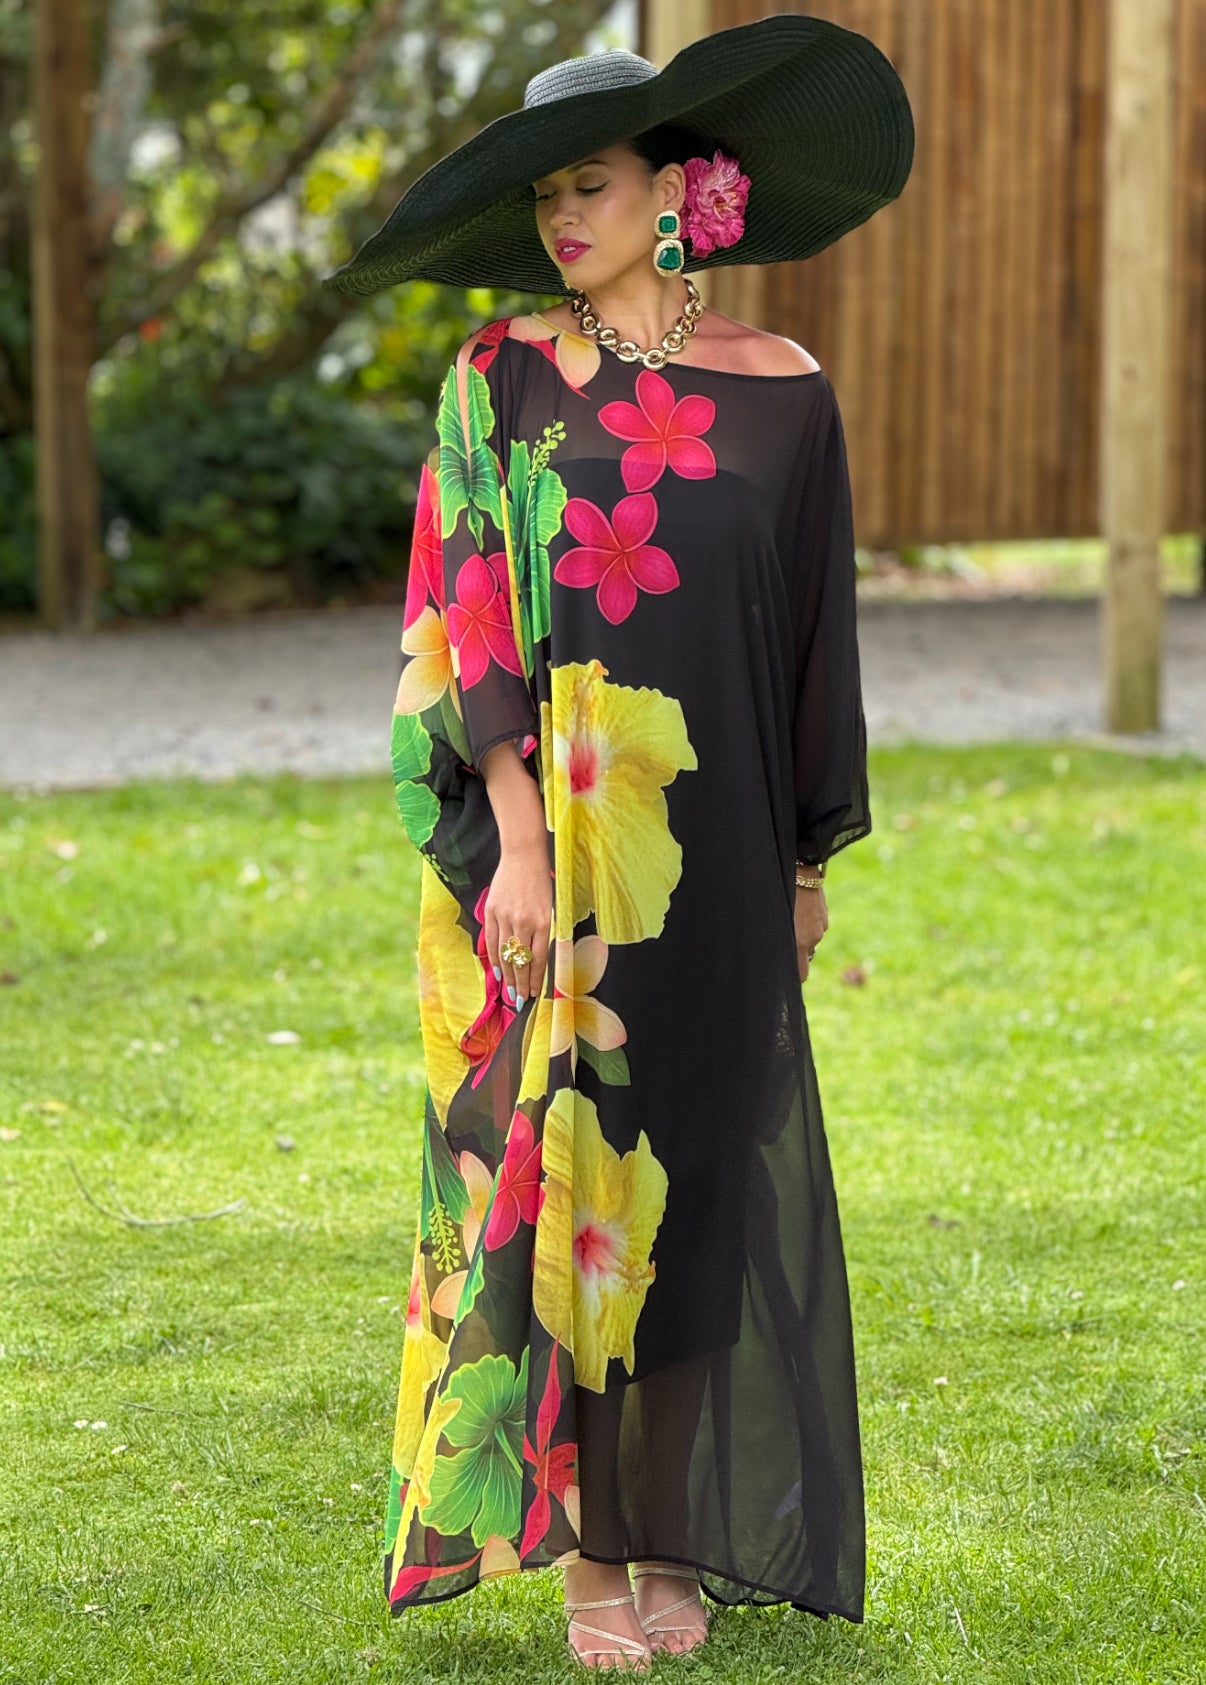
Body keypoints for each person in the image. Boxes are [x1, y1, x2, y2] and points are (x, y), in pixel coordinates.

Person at [322, 12, 913, 1672]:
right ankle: (594, 1559)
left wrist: (804, 866)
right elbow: (466, 614)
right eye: (544, 197)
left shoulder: (789, 398)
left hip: (716, 864)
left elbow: (813, 649)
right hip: (559, 868)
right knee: (575, 1179)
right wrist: (512, 832)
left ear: (682, 193)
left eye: (586, 185)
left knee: (694, 1191)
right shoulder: (499, 377)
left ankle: (675, 1539)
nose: (558, 220)